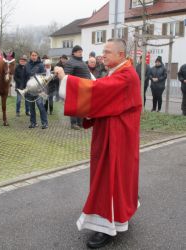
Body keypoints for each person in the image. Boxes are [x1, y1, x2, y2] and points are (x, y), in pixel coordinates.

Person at [55, 38, 142, 249]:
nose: (103, 55)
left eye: (108, 52)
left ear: (121, 55)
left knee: (108, 179)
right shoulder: (120, 71)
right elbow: (103, 93)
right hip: (116, 135)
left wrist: (66, 79)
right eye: (103, 51)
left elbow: (100, 91)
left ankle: (106, 227)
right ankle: (120, 217)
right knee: (118, 178)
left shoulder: (126, 75)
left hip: (117, 139)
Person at [64, 45, 91, 130]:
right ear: (74, 53)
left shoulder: (82, 61)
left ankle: (80, 122)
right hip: (75, 87)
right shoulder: (70, 62)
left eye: (81, 52)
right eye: (79, 52)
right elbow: (67, 75)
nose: (81, 53)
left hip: (84, 87)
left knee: (81, 106)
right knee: (74, 106)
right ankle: (74, 123)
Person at [24, 50, 48, 129]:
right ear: (30, 56)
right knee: (31, 108)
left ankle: (44, 123)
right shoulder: (27, 65)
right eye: (32, 55)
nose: (34, 57)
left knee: (40, 106)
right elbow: (24, 77)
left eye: (35, 55)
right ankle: (33, 123)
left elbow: (44, 77)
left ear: (37, 56)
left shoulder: (41, 65)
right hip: (30, 90)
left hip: (39, 90)